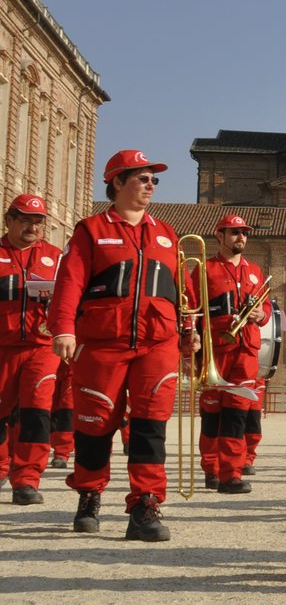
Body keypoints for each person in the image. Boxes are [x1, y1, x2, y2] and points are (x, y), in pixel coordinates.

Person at [49, 151, 188, 540]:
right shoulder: (91, 229)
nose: (150, 186)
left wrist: (190, 331)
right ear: (116, 182)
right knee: (94, 424)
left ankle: (145, 505)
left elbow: (181, 291)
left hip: (158, 343)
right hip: (102, 342)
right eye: (142, 178)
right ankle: (89, 495)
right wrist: (63, 328)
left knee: (150, 426)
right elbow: (70, 282)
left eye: (153, 180)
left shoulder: (167, 233)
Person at [196, 213, 272, 495]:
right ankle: (211, 468)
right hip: (215, 350)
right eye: (234, 232)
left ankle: (231, 474)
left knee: (237, 416)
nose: (241, 237)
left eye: (244, 233)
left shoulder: (255, 271)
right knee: (212, 415)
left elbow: (265, 314)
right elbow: (192, 310)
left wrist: (260, 314)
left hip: (246, 351)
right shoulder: (205, 269)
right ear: (220, 236)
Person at [1, 194, 62, 506]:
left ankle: (26, 479)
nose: (32, 226)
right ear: (9, 220)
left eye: (38, 221)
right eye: (25, 219)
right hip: (2, 345)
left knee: (37, 411)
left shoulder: (56, 256)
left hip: (42, 346)